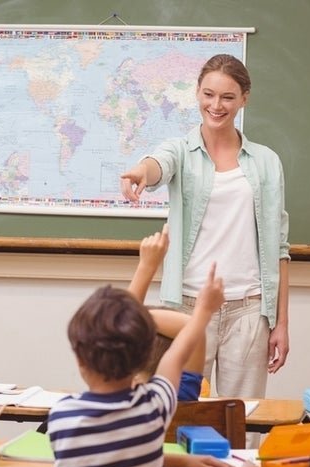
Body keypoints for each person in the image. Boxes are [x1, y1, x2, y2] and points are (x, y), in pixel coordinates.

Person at [120, 54, 290, 414]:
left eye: (228, 97)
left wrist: (280, 323)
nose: (216, 105)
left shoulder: (266, 162)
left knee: (240, 418)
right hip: (185, 306)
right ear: (196, 93)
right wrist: (140, 170)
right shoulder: (181, 151)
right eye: (208, 94)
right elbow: (157, 164)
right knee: (178, 413)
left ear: (244, 98)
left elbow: (279, 248)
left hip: (249, 309)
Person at [46, 263, 225, 467]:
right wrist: (203, 311)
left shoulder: (61, 416)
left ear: (79, 360)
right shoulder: (153, 409)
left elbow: (109, 459)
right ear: (142, 358)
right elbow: (174, 358)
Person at [129, 225, 235, 467]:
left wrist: (146, 267)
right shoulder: (180, 391)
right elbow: (192, 329)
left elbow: (117, 327)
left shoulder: (117, 399)